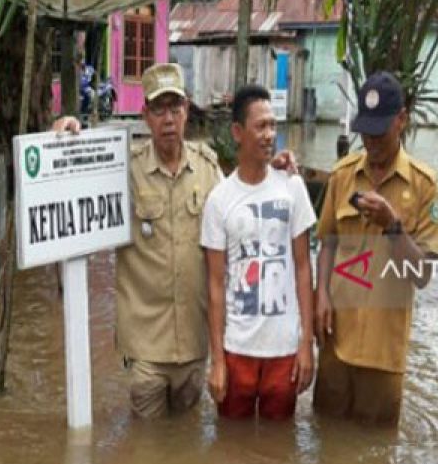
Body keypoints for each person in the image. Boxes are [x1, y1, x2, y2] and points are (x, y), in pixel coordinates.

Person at [51, 64, 296, 418]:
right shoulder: (122, 169)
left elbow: (242, 203)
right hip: (146, 348)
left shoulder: (208, 167)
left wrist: (270, 167)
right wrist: (63, 136)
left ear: (187, 111)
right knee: (149, 453)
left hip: (195, 347)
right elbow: (72, 189)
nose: (169, 119)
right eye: (159, 109)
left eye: (176, 108)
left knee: (187, 447)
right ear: (145, 116)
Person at [312, 71, 438, 426]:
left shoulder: (423, 186)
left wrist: (393, 227)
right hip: (335, 344)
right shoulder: (342, 176)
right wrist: (320, 294)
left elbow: (424, 275)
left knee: (377, 460)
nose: (370, 142)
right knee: (325, 442)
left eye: (379, 132)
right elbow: (327, 241)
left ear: (402, 120)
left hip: (383, 355)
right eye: (365, 132)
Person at [201, 85, 315, 420]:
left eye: (273, 125)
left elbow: (303, 267)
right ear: (237, 132)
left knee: (278, 448)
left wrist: (306, 344)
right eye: (260, 126)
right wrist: (218, 360)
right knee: (230, 448)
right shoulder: (219, 200)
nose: (269, 135)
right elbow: (216, 285)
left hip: (284, 349)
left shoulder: (291, 187)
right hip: (237, 348)